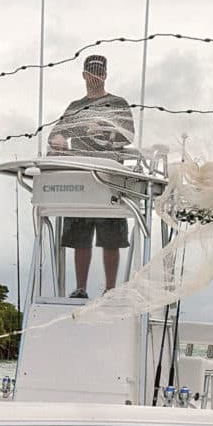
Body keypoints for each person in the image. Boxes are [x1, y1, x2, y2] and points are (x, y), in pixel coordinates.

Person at [48, 54, 135, 298]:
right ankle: (80, 289)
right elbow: (57, 133)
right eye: (91, 71)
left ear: (105, 75)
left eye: (99, 72)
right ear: (84, 74)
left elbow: (128, 135)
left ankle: (110, 289)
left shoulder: (118, 103)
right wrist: (57, 140)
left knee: (112, 237)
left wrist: (105, 129)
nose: (95, 76)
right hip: (80, 176)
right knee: (79, 237)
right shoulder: (75, 107)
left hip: (110, 176)